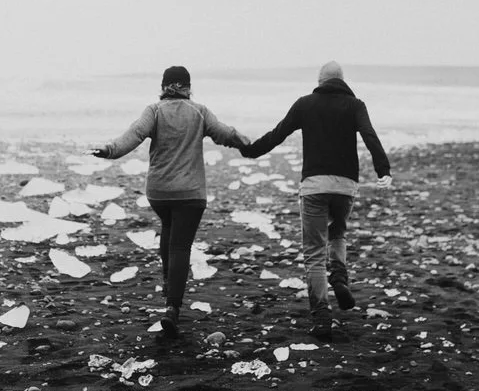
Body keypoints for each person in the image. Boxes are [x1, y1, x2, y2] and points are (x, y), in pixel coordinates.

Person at [90, 66, 249, 338]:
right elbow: (224, 133)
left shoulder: (154, 111)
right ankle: (172, 308)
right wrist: (244, 142)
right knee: (180, 246)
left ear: (163, 86)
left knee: (168, 229)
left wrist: (109, 151)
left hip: (160, 193)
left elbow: (133, 136)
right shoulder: (199, 111)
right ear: (188, 86)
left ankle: (167, 284)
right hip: (191, 193)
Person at [240, 61, 392, 340]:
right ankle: (340, 278)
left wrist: (249, 151)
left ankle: (322, 316)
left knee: (313, 252)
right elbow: (370, 136)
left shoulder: (305, 104)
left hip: (313, 186)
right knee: (338, 233)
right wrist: (384, 170)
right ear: (342, 81)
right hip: (345, 186)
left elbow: (277, 134)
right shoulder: (356, 105)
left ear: (320, 81)